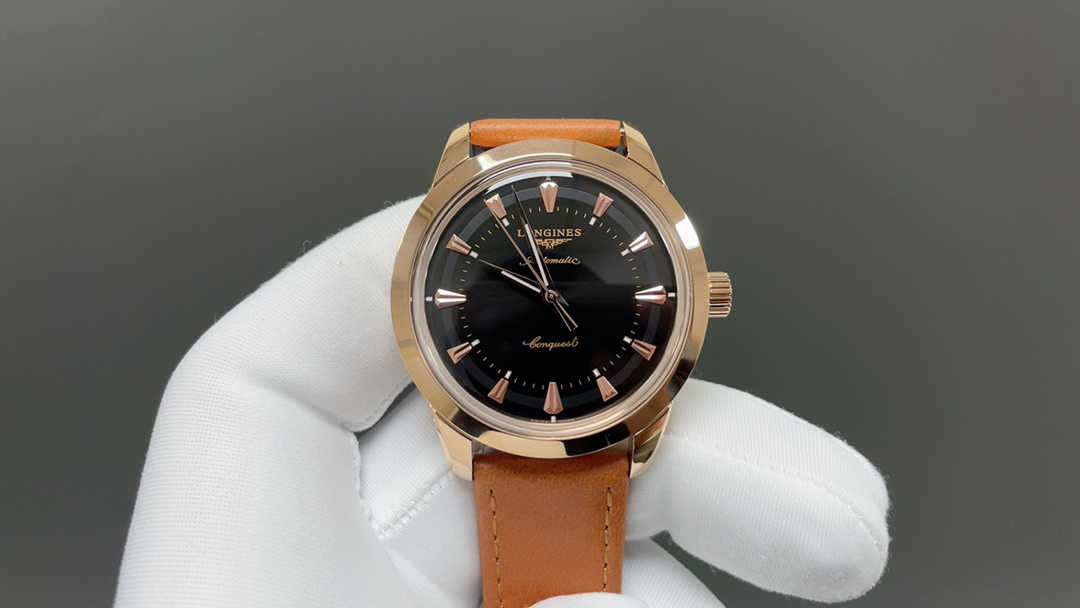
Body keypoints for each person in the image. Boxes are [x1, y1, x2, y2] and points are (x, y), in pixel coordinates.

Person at [115, 196, 890, 607]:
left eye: (571, 286)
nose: (554, 295)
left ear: (699, 298)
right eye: (541, 286)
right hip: (497, 420)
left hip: (595, 416)